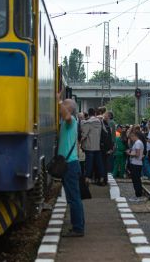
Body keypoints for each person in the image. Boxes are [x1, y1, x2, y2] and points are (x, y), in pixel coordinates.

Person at [58, 98, 84, 237]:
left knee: (74, 198)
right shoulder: (67, 122)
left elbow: (66, 116)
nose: (61, 106)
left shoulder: (71, 120)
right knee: (73, 198)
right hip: (69, 165)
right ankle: (78, 226)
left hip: (70, 165)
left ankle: (78, 228)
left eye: (64, 104)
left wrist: (58, 102)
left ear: (69, 108)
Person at [81, 108, 104, 183]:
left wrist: (80, 141)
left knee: (89, 163)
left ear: (88, 114)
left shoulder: (88, 123)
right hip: (97, 146)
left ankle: (88, 178)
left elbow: (84, 135)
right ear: (94, 113)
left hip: (89, 146)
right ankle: (101, 177)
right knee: (99, 163)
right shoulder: (100, 122)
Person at [127, 131, 145, 201]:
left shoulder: (137, 143)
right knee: (137, 180)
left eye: (131, 137)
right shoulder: (139, 143)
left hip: (136, 163)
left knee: (136, 180)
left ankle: (138, 195)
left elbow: (137, 154)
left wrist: (129, 153)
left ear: (134, 135)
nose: (131, 139)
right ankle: (138, 195)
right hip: (137, 163)